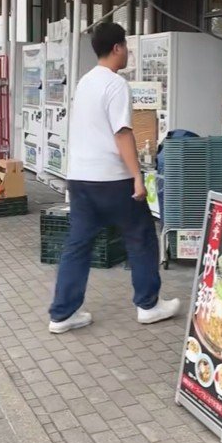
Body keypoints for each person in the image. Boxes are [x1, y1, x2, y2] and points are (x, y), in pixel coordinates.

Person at [48, 23, 180, 333]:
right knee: (141, 236)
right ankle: (148, 305)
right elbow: (122, 133)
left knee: (77, 245)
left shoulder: (85, 82)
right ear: (118, 48)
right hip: (111, 178)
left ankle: (62, 314)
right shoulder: (116, 84)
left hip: (79, 178)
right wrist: (137, 176)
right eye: (126, 46)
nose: (128, 52)